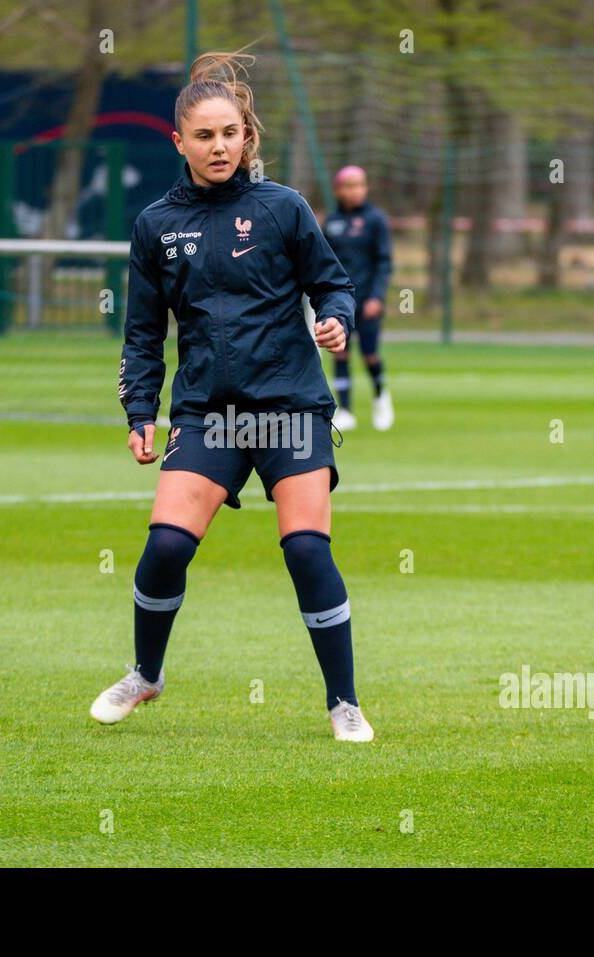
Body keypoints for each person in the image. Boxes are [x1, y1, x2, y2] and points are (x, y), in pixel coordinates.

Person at [90, 50, 374, 742]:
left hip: (291, 408)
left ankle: (344, 703)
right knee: (164, 547)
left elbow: (331, 283)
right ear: (179, 142)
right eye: (206, 135)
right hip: (206, 415)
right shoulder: (156, 225)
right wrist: (139, 412)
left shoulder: (284, 208)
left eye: (232, 133)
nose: (221, 146)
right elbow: (141, 333)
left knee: (307, 549)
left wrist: (334, 315)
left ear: (248, 136)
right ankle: (146, 674)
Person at [322, 165, 394, 431]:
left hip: (368, 300)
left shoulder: (376, 220)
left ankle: (380, 395)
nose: (355, 191)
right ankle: (346, 409)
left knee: (369, 354)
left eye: (360, 184)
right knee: (340, 352)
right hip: (341, 301)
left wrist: (377, 296)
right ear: (338, 190)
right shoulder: (332, 222)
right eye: (349, 186)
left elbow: (383, 261)